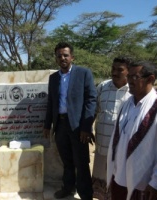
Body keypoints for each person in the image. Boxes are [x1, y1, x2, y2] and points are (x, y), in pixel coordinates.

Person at [43, 41, 97, 200]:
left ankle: (86, 195)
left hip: (78, 126)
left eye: (65, 55)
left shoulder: (84, 73)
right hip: (60, 125)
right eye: (59, 56)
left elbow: (91, 100)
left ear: (72, 57)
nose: (62, 58)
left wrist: (87, 127)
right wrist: (47, 125)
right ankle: (68, 188)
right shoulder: (53, 78)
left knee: (81, 162)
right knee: (66, 161)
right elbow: (51, 102)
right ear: (56, 58)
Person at [107, 61, 157, 200]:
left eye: (134, 77)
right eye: (129, 77)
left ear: (150, 79)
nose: (129, 81)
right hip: (119, 177)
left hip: (143, 183)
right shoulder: (127, 103)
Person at [92, 56, 132, 200]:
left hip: (123, 146)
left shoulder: (133, 91)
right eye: (113, 69)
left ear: (128, 71)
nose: (114, 72)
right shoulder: (102, 86)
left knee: (120, 180)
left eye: (120, 70)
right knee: (101, 178)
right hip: (102, 141)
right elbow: (94, 110)